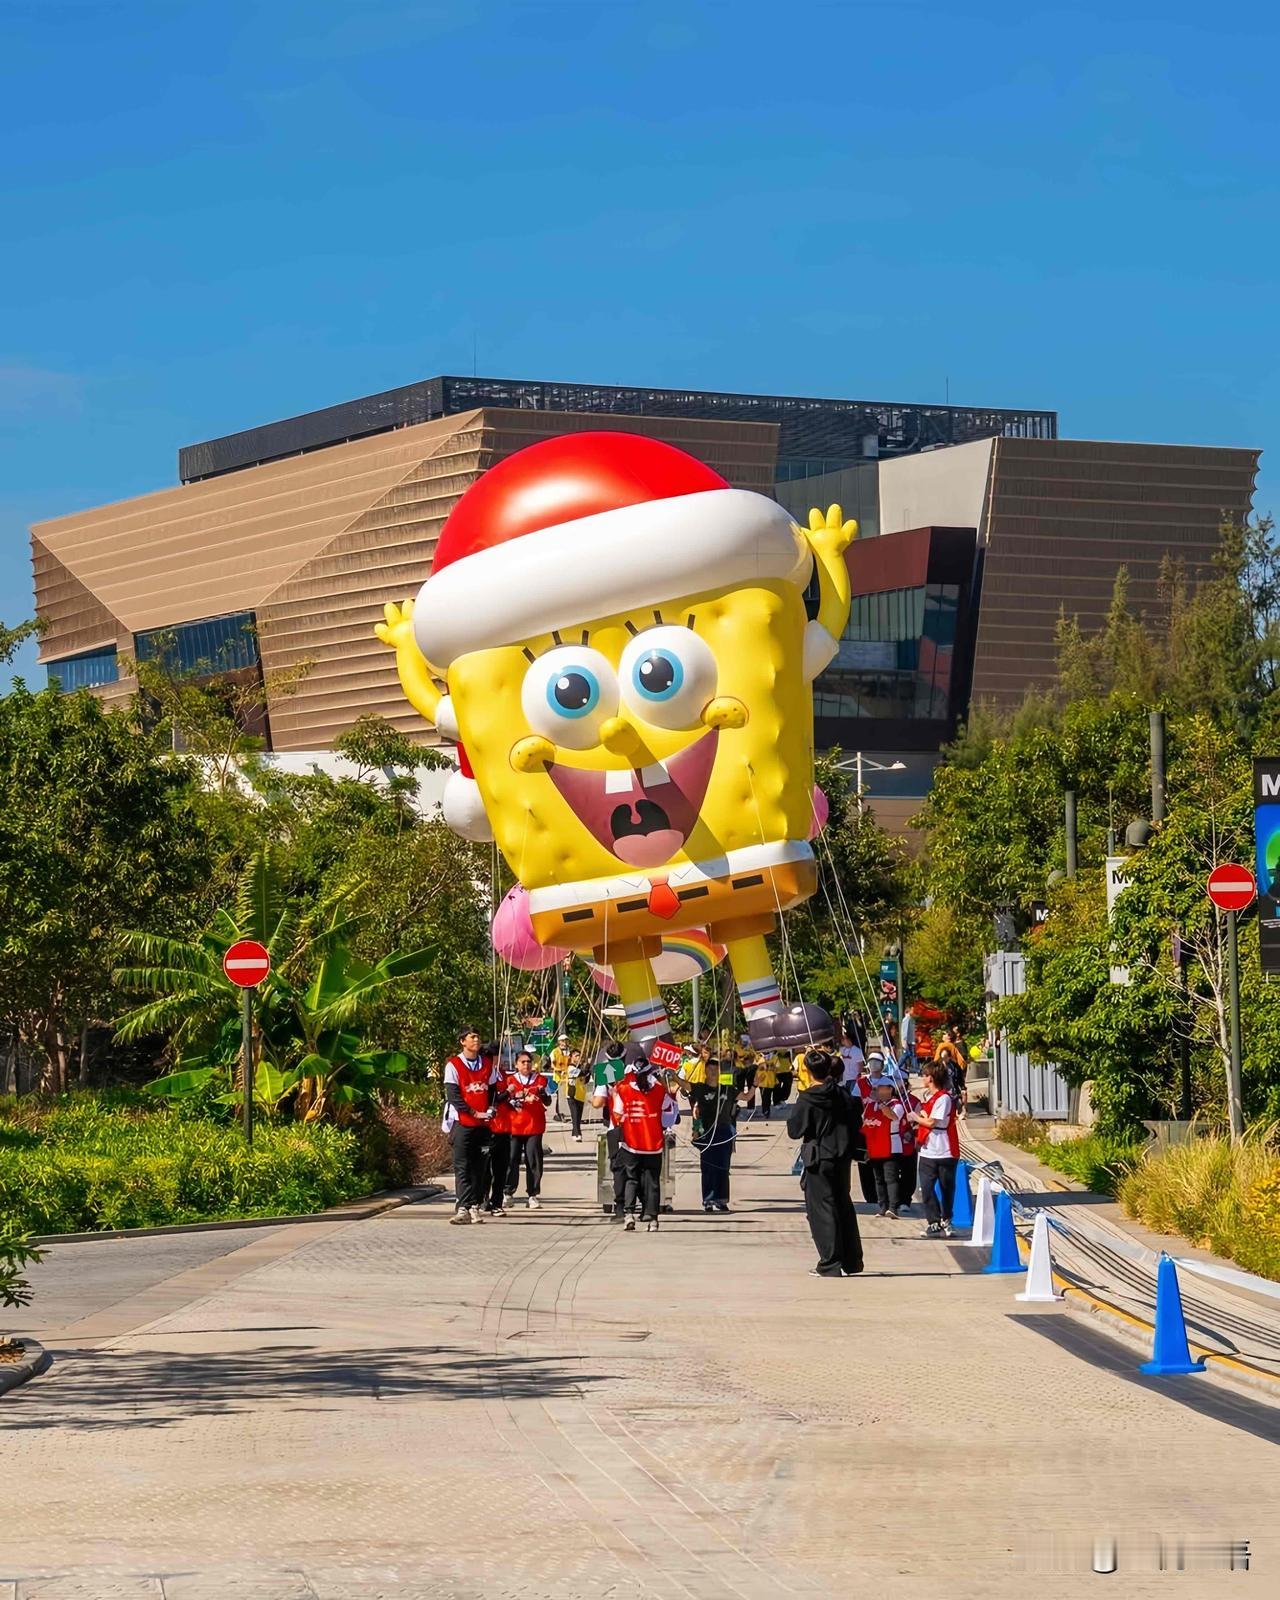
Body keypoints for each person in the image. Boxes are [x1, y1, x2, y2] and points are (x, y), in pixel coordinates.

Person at [787, 1049, 864, 1277]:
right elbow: (856, 1120)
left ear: (808, 1071)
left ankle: (830, 1263)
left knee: (822, 1210)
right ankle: (851, 1261)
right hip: (842, 1155)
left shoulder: (808, 1098)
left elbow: (795, 1130)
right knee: (843, 1205)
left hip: (819, 1157)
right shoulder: (843, 1095)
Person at [612, 1057, 679, 1232]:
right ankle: (653, 1219)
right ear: (650, 1072)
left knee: (631, 1179)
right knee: (653, 1182)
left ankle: (629, 1215)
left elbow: (617, 1114)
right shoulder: (659, 1090)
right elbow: (669, 1112)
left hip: (631, 1144)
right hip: (653, 1144)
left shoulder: (623, 1089)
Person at [443, 1026, 498, 1224]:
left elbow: (492, 1090)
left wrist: (491, 1108)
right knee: (462, 1166)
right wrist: (473, 1112)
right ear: (462, 1041)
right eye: (472, 1037)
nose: (476, 1040)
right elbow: (453, 1096)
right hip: (463, 1123)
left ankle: (474, 1205)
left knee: (480, 1167)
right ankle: (463, 1207)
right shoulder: (454, 1065)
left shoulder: (486, 1064)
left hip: (483, 1126)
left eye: (477, 1036)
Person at [908, 1061, 960, 1238]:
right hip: (927, 1151)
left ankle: (947, 1219)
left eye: (924, 1075)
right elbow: (928, 1117)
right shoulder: (930, 1098)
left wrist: (915, 1117)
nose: (922, 1078)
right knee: (926, 1188)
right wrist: (920, 1115)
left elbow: (931, 1122)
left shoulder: (944, 1098)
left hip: (945, 1149)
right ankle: (934, 1221)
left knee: (947, 1188)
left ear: (931, 1078)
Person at [688, 1058, 742, 1212]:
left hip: (724, 1131)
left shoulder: (727, 1089)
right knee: (708, 1168)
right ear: (705, 1071)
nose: (713, 1072)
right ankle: (708, 1200)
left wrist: (755, 1084)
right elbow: (685, 1087)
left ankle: (721, 1200)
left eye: (715, 1070)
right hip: (706, 1132)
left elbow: (746, 1097)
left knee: (723, 1167)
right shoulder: (700, 1089)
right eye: (710, 1069)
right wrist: (672, 1075)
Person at [504, 1048, 552, 1207]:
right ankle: (508, 1192)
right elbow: (505, 1101)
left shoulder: (540, 1080)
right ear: (516, 1064)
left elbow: (547, 1101)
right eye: (522, 1062)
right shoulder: (510, 1081)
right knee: (512, 1159)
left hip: (534, 1125)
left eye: (529, 1062)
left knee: (534, 1160)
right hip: (514, 1125)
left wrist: (541, 1093)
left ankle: (532, 1194)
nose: (526, 1065)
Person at [861, 1078, 906, 1218]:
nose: (876, 1091)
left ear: (890, 1089)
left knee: (890, 1177)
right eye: (875, 1088)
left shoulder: (897, 1105)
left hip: (891, 1145)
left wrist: (881, 1104)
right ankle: (882, 1206)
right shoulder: (871, 1105)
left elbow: (892, 1116)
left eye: (879, 1088)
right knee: (878, 1178)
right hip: (876, 1145)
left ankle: (893, 1207)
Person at [484, 1039, 515, 1215]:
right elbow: (493, 1099)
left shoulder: (502, 1074)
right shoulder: (485, 1074)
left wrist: (513, 1099)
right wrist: (507, 1092)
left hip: (504, 1126)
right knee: (485, 1169)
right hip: (488, 1126)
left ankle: (497, 1202)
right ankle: (482, 1198)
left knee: (501, 1169)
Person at [548, 1033, 572, 1121]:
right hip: (559, 1077)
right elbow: (552, 1065)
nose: (564, 1043)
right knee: (560, 1096)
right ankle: (559, 1113)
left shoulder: (570, 1052)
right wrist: (559, 1070)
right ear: (559, 1042)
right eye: (562, 1041)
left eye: (566, 1041)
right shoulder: (554, 1052)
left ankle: (568, 1113)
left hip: (568, 1077)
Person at [565, 1047, 587, 1140]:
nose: (578, 1058)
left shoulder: (579, 1067)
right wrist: (586, 1069)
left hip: (580, 1094)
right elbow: (580, 1073)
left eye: (579, 1056)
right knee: (575, 1114)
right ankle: (577, 1133)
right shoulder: (570, 1067)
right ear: (571, 1057)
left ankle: (575, 1133)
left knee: (579, 1116)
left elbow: (585, 1078)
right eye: (576, 1056)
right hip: (572, 1094)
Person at [755, 1051, 779, 1119]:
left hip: (771, 1081)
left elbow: (777, 1067)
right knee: (764, 1097)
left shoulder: (774, 1057)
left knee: (768, 1097)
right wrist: (762, 1064)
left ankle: (767, 1110)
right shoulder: (758, 1057)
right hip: (762, 1081)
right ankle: (765, 1111)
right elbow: (756, 1066)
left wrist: (768, 1066)